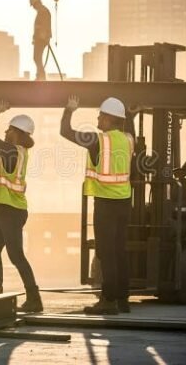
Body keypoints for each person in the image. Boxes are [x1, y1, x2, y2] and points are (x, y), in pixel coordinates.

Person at [61, 95, 134, 315]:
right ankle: (122, 299)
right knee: (120, 251)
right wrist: (132, 113)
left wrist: (69, 109)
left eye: (101, 115)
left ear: (110, 118)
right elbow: (127, 126)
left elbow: (65, 131)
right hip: (124, 203)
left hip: (106, 204)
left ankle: (108, 300)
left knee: (106, 253)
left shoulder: (97, 140)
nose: (98, 118)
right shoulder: (129, 139)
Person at [0, 100, 43, 312]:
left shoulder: (11, 151)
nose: (5, 132)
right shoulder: (17, 151)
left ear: (17, 133)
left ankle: (34, 299)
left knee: (16, 255)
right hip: (5, 209)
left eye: (8, 129)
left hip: (11, 210)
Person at [29, 0, 52, 80]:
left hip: (41, 39)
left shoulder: (43, 11)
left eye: (34, 5)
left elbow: (43, 26)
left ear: (37, 3)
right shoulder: (42, 11)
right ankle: (40, 76)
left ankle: (41, 77)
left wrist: (42, 38)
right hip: (40, 39)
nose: (33, 7)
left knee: (37, 57)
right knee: (37, 58)